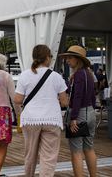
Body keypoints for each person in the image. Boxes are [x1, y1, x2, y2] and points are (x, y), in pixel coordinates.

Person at [14, 45, 69, 177]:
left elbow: (17, 99)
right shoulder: (56, 76)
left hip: (31, 119)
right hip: (51, 119)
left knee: (30, 154)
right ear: (46, 58)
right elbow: (64, 102)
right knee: (48, 157)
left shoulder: (25, 75)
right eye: (50, 56)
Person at [59, 45, 97, 177]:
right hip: (90, 112)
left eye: (69, 58)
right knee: (89, 148)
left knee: (76, 151)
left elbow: (77, 98)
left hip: (79, 114)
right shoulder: (89, 74)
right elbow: (92, 96)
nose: (67, 61)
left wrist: (74, 117)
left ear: (77, 59)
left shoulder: (78, 75)